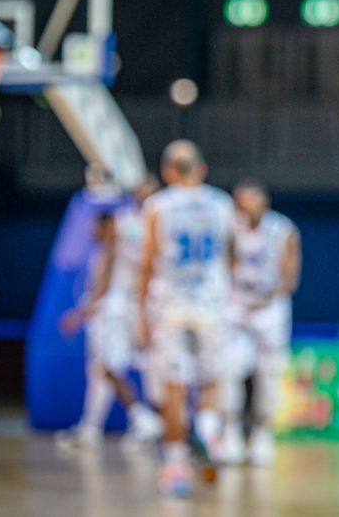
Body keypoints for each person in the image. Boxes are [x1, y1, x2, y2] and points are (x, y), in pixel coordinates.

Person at [136, 140, 234, 497]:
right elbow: (231, 255)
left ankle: (176, 467)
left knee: (174, 386)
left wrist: (140, 311)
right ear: (201, 168)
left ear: (167, 171)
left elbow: (147, 261)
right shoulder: (222, 204)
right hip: (211, 302)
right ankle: (208, 430)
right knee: (210, 380)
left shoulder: (157, 206)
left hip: (170, 304)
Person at [57, 180, 163, 450]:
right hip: (129, 306)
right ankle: (93, 427)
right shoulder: (133, 222)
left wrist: (84, 310)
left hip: (121, 308)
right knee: (104, 369)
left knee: (109, 366)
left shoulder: (141, 224)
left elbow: (109, 270)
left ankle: (144, 418)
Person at [220, 179, 301, 466]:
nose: (248, 208)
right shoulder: (229, 228)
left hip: (270, 307)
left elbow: (289, 275)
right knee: (231, 370)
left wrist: (265, 299)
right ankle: (230, 432)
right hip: (236, 303)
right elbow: (224, 266)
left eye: (252, 201)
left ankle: (262, 434)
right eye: (242, 203)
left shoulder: (283, 229)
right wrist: (236, 299)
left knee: (268, 373)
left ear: (264, 202)